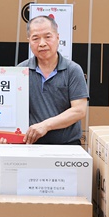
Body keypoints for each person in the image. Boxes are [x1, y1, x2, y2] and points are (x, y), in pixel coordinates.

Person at [17, 15, 89, 145]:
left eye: (48, 37)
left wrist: (45, 126)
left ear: (58, 37)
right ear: (29, 41)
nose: (42, 43)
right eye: (35, 38)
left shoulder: (72, 70)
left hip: (67, 146)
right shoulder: (21, 71)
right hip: (30, 145)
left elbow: (79, 110)